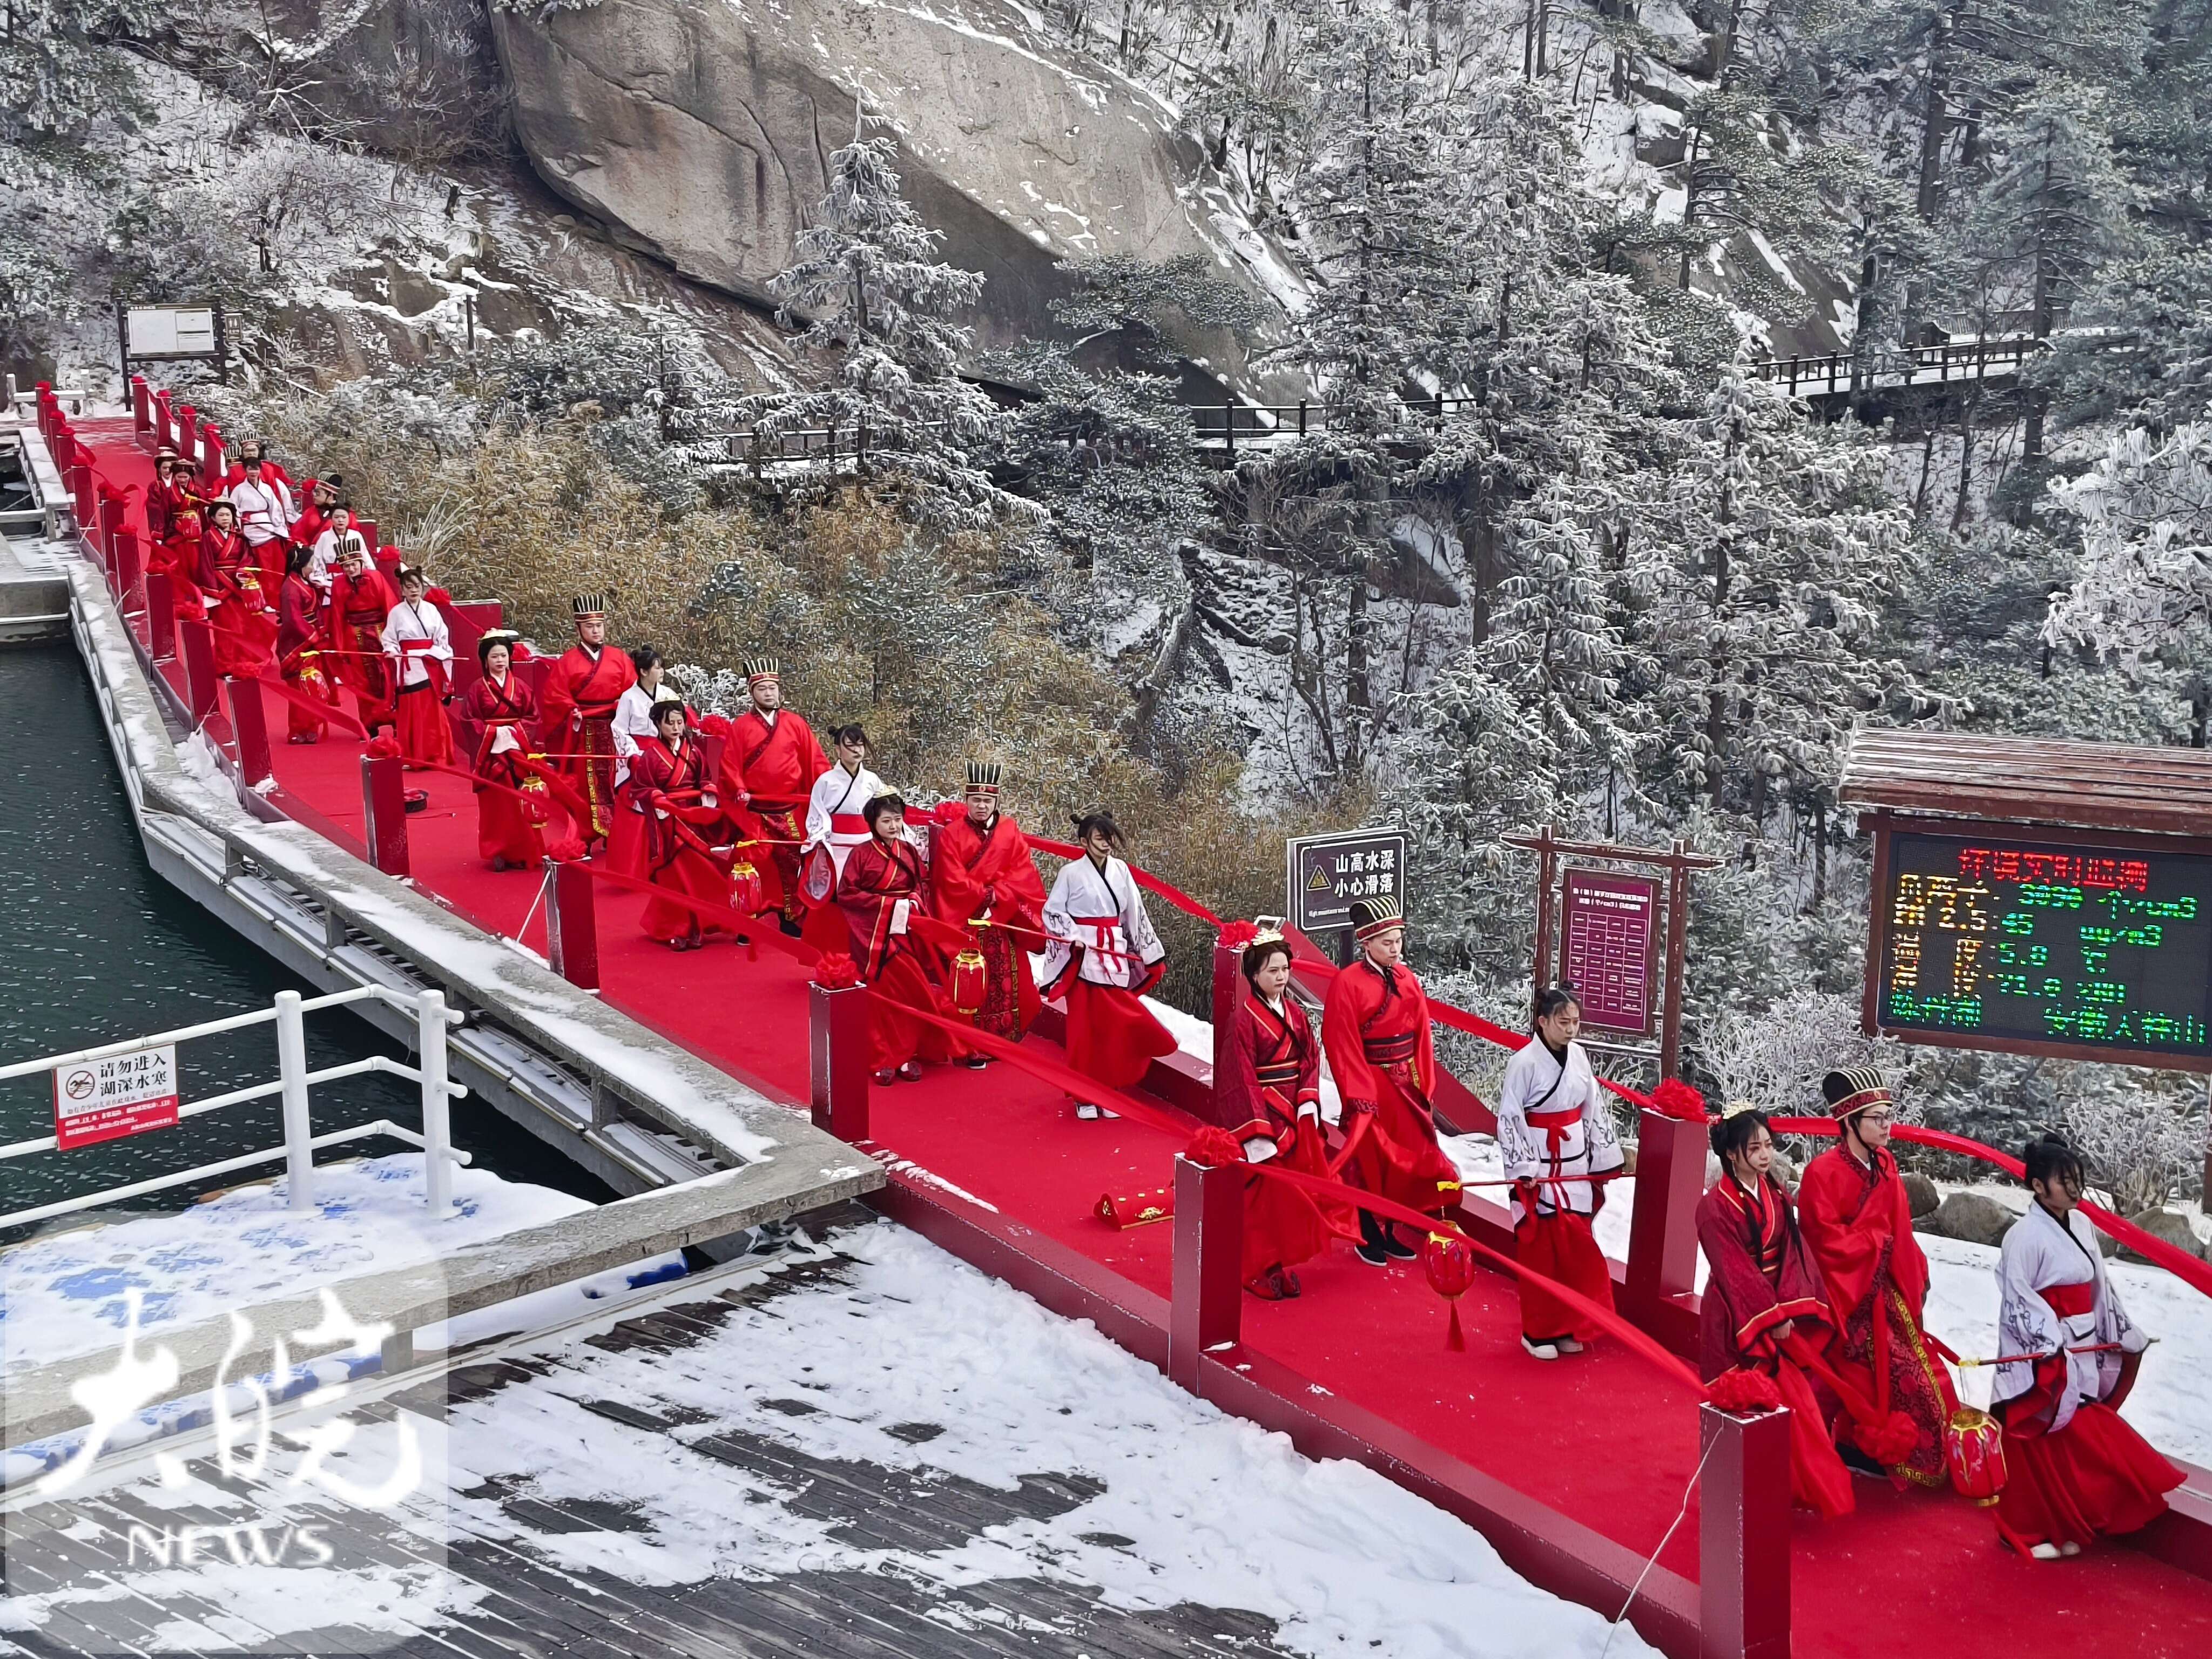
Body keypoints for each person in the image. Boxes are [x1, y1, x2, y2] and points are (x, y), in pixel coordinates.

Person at [1991, 1134, 2181, 1559]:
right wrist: (2049, 1343)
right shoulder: (2023, 1236)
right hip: (2047, 1348)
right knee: (2038, 1436)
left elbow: (2099, 1287)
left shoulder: (2081, 1226)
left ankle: (2064, 1523)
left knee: (2071, 1438)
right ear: (2038, 1186)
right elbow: (2018, 1296)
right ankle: (2021, 1529)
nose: (2075, 1189)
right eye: (2065, 1180)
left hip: (2083, 1344)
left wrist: (2120, 1331)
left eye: (2078, 1178)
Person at [1796, 1068, 1957, 1489]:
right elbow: (1825, 1242)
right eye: (1878, 1118)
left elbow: (1901, 1229)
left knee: (1916, 1375)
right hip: (1846, 1294)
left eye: (1889, 1115)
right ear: (1850, 1122)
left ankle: (1876, 1449)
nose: (1888, 1126)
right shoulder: (1821, 1173)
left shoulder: (1885, 1164)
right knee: (1859, 1376)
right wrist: (1877, 1245)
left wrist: (1913, 1268)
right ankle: (1842, 1449)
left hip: (1886, 1287)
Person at [1696, 1105, 1856, 1519]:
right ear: (1732, 1153)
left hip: (1774, 1305)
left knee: (1792, 1403)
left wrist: (1792, 1304)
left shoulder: (1777, 1193)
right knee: (1745, 1404)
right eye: (1755, 1148)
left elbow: (1792, 1251)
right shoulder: (1713, 1207)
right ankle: (1740, 1493)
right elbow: (1734, 1270)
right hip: (1734, 1316)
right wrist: (1771, 1316)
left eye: (1769, 1145)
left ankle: (1781, 1488)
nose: (1766, 1155)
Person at [1319, 896, 1465, 1266]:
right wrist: (1358, 1093)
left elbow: (1422, 1035)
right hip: (1370, 1081)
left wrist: (1424, 1083)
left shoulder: (1407, 979)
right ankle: (1368, 1232)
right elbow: (1340, 1040)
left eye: (1398, 941)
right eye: (1387, 942)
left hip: (1404, 1082)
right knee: (1371, 1159)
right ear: (1366, 943)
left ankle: (1389, 1229)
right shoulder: (1347, 983)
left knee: (1409, 1159)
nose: (1395, 948)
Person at [1494, 985, 1628, 1359]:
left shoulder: (1580, 1057)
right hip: (1539, 1166)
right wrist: (1524, 1169)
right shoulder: (1523, 1063)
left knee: (1576, 1251)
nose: (1571, 1029)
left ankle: (1571, 1324)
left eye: (1575, 1022)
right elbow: (1510, 1117)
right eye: (1563, 1022)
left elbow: (1593, 1107)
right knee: (1543, 1253)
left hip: (1574, 1164)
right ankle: (1537, 1332)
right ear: (1543, 1021)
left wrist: (1603, 1158)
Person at [1216, 929, 1350, 1299]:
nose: (1281, 976)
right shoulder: (1243, 1021)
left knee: (1294, 1197)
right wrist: (1257, 1133)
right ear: (1254, 975)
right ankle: (1255, 1269)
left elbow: (1310, 1059)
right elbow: (1240, 1078)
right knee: (1264, 1200)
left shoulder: (1296, 1014)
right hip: (1264, 1119)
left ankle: (1278, 1263)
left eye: (1285, 969)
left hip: (1293, 1114)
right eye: (1272, 970)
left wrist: (1308, 1101)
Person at [1038, 811, 1175, 1118]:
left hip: (1114, 953)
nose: (1106, 843)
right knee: (1084, 1031)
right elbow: (1052, 912)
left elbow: (1135, 912)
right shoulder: (1070, 873)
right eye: (1100, 838)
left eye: (1109, 837)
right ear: (1084, 841)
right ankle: (1084, 1096)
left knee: (1113, 1028)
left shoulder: (1120, 870)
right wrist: (1073, 937)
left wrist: (1150, 953)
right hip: (1083, 957)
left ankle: (1111, 1089)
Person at [839, 793, 974, 1083]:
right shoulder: (860, 855)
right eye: (886, 821)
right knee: (881, 999)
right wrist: (890, 906)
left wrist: (912, 902)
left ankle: (906, 1053)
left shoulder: (909, 851)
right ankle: (881, 1057)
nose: (893, 826)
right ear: (873, 823)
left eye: (897, 820)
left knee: (913, 993)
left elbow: (920, 886)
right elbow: (847, 894)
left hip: (905, 930)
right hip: (873, 935)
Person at [927, 760, 1046, 1054]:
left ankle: (1005, 1039)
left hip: (1002, 920)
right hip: (968, 921)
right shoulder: (952, 834)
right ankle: (970, 1042)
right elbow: (950, 879)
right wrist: (985, 894)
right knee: (969, 983)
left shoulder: (1009, 830)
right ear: (967, 800)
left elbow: (1023, 871)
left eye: (987, 800)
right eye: (976, 800)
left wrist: (999, 895)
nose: (982, 806)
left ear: (996, 801)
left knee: (1013, 984)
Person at [721, 657, 830, 936]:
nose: (769, 694)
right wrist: (739, 788)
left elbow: (814, 760)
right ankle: (748, 920)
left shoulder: (795, 724)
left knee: (793, 863)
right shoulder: (741, 727)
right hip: (755, 810)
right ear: (752, 693)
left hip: (790, 809)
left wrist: (831, 787)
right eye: (762, 689)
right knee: (752, 862)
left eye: (772, 688)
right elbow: (730, 764)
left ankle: (790, 918)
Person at [538, 595, 638, 853]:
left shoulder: (619, 658)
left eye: (599, 626)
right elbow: (554, 695)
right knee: (586, 786)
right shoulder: (568, 662)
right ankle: (587, 834)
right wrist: (570, 710)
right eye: (590, 626)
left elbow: (632, 691)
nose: (596, 631)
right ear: (579, 628)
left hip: (614, 729)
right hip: (585, 730)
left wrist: (624, 706)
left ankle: (617, 833)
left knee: (617, 782)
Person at [630, 699, 726, 950]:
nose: (675, 728)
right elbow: (641, 788)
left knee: (701, 873)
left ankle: (699, 925)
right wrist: (656, 797)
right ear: (658, 725)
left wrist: (708, 791)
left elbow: (705, 779)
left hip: (693, 819)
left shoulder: (694, 753)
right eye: (669, 723)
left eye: (679, 722)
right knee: (674, 877)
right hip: (667, 822)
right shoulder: (651, 757)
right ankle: (677, 928)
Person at [461, 630, 547, 870]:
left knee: (522, 800)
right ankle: (498, 849)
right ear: (485, 660)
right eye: (494, 656)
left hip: (517, 748)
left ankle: (525, 849)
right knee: (497, 804)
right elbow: (469, 721)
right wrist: (494, 733)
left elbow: (533, 717)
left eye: (503, 656)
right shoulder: (477, 689)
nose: (500, 661)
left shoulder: (521, 687)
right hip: (491, 753)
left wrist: (514, 732)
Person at [799, 724, 886, 949]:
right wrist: (821, 840)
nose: (857, 750)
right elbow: (817, 814)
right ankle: (831, 951)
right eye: (850, 746)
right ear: (838, 749)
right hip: (835, 848)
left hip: (867, 847)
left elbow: (885, 812)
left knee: (866, 897)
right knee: (835, 900)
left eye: (861, 745)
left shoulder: (872, 780)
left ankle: (864, 950)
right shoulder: (826, 781)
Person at [607, 646, 675, 881]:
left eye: (662, 667)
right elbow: (619, 729)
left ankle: (667, 863)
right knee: (638, 807)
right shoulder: (629, 697)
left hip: (664, 754)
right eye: (657, 667)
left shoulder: (668, 694)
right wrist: (633, 754)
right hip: (638, 755)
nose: (662, 671)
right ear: (644, 671)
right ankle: (637, 869)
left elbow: (677, 725)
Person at [380, 564, 455, 768]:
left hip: (430, 662)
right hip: (408, 664)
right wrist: (392, 651)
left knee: (431, 711)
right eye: (409, 587)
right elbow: (389, 638)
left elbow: (442, 637)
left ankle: (436, 754)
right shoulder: (396, 613)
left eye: (417, 586)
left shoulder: (431, 610)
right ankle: (414, 756)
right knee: (410, 711)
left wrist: (437, 654)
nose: (414, 590)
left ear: (422, 588)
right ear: (402, 590)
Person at [195, 499, 278, 677]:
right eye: (221, 515)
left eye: (228, 515)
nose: (225, 518)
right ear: (213, 518)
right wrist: (212, 590)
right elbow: (205, 563)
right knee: (225, 631)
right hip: (220, 588)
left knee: (244, 627)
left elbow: (248, 558)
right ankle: (225, 666)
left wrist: (243, 573)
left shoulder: (240, 537)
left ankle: (242, 661)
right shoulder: (208, 537)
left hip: (239, 586)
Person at [328, 544, 399, 733]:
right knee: (363, 682)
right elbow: (337, 616)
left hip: (380, 633)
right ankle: (370, 725)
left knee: (388, 678)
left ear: (361, 563)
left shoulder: (375, 577)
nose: (351, 569)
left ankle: (395, 721)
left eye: (354, 564)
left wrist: (395, 638)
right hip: (355, 636)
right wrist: (340, 647)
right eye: (346, 566)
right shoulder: (338, 584)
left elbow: (390, 607)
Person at [275, 544, 340, 744]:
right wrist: (314, 638)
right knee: (300, 687)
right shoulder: (290, 589)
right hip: (298, 642)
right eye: (312, 564)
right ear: (301, 566)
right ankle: (299, 729)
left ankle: (311, 726)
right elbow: (293, 620)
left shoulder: (302, 583)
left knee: (312, 684)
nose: (314, 567)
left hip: (308, 636)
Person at [227, 448, 297, 576]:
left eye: (256, 469)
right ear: (245, 470)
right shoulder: (239, 490)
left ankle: (277, 579)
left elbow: (275, 508)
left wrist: (278, 526)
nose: (253, 472)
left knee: (277, 556)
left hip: (268, 526)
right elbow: (233, 509)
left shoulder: (267, 488)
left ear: (260, 470)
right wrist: (238, 526)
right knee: (260, 561)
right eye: (250, 469)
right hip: (250, 527)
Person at [305, 502, 367, 601]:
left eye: (344, 517)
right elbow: (318, 560)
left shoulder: (356, 536)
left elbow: (365, 558)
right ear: (331, 518)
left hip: (353, 580)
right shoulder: (324, 537)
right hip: (330, 581)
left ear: (349, 518)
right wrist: (322, 579)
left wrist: (368, 576)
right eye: (337, 517)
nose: (340, 520)